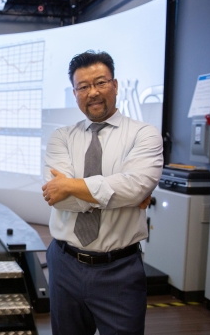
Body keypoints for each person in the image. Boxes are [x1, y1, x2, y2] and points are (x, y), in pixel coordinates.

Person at [41, 50, 163, 335]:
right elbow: (56, 197)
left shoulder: (143, 134)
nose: (92, 92)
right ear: (75, 93)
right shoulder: (62, 137)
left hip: (119, 270)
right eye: (83, 86)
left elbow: (135, 187)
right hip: (64, 264)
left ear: (115, 85)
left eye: (100, 82)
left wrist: (71, 185)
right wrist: (119, 195)